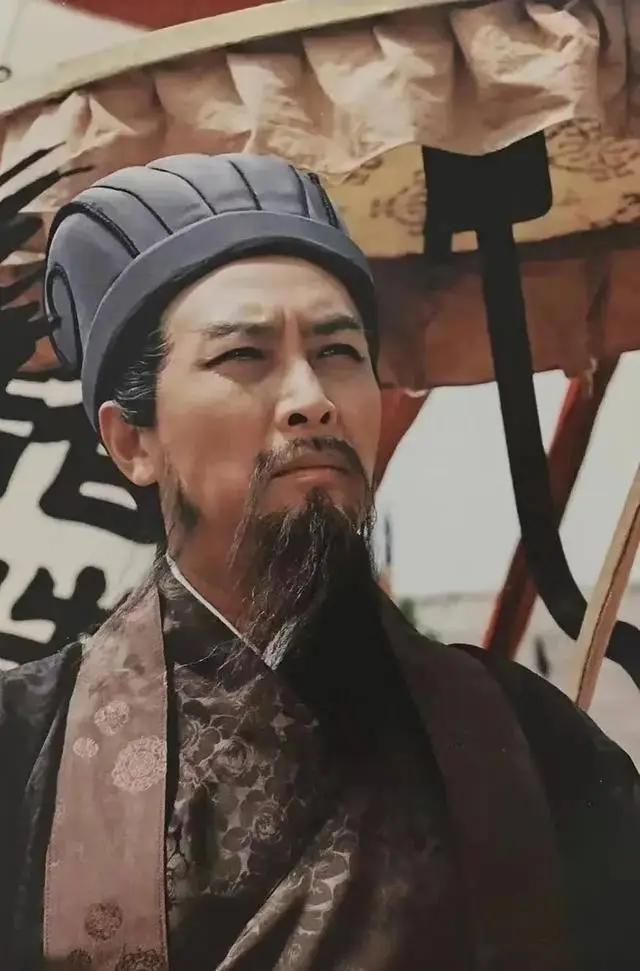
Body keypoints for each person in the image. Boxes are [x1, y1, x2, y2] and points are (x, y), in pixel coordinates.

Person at [1, 153, 639, 971]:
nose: (312, 397)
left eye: (339, 352)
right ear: (133, 442)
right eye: (244, 356)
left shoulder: (526, 740)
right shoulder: (25, 748)